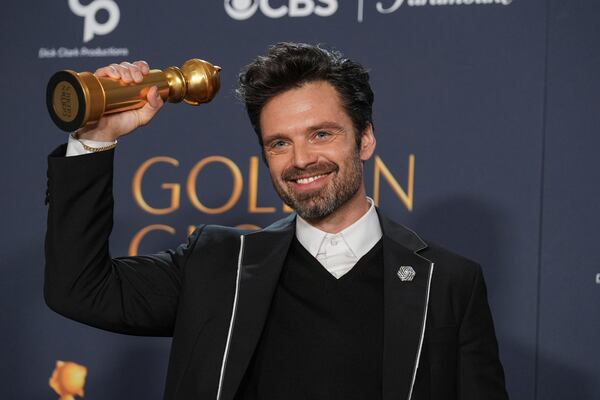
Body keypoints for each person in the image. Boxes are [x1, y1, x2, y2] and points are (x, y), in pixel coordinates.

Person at [45, 42, 509, 400]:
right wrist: (96, 138)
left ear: (364, 139)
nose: (301, 160)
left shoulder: (448, 283)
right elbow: (79, 289)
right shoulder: (216, 264)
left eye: (321, 134)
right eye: (279, 143)